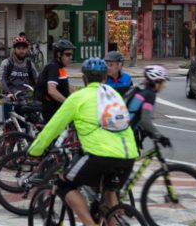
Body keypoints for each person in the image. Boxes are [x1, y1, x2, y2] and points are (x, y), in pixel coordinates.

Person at [28, 58, 138, 226]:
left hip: (99, 155)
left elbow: (52, 128)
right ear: (104, 78)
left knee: (64, 184)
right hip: (128, 155)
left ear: (84, 78)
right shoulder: (114, 95)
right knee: (109, 190)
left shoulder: (78, 97)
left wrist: (34, 151)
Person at [125, 65, 171, 149]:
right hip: (125, 134)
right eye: (163, 82)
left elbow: (139, 116)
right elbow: (145, 120)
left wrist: (151, 133)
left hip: (122, 130)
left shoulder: (140, 91)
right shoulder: (150, 95)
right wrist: (160, 137)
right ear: (157, 82)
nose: (164, 86)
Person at [0, 36, 38, 121]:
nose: (21, 50)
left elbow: (37, 80)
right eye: (19, 48)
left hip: (24, 101)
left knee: (28, 127)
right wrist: (8, 92)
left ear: (27, 49)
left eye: (24, 48)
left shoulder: (29, 64)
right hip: (10, 101)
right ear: (14, 49)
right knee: (9, 128)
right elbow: (2, 80)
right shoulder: (7, 63)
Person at [36, 39, 75, 122]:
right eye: (68, 54)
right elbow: (52, 90)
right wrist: (67, 102)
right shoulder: (53, 67)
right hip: (52, 111)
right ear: (59, 54)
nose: (70, 57)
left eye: (72, 55)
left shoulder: (60, 68)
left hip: (59, 109)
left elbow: (67, 87)